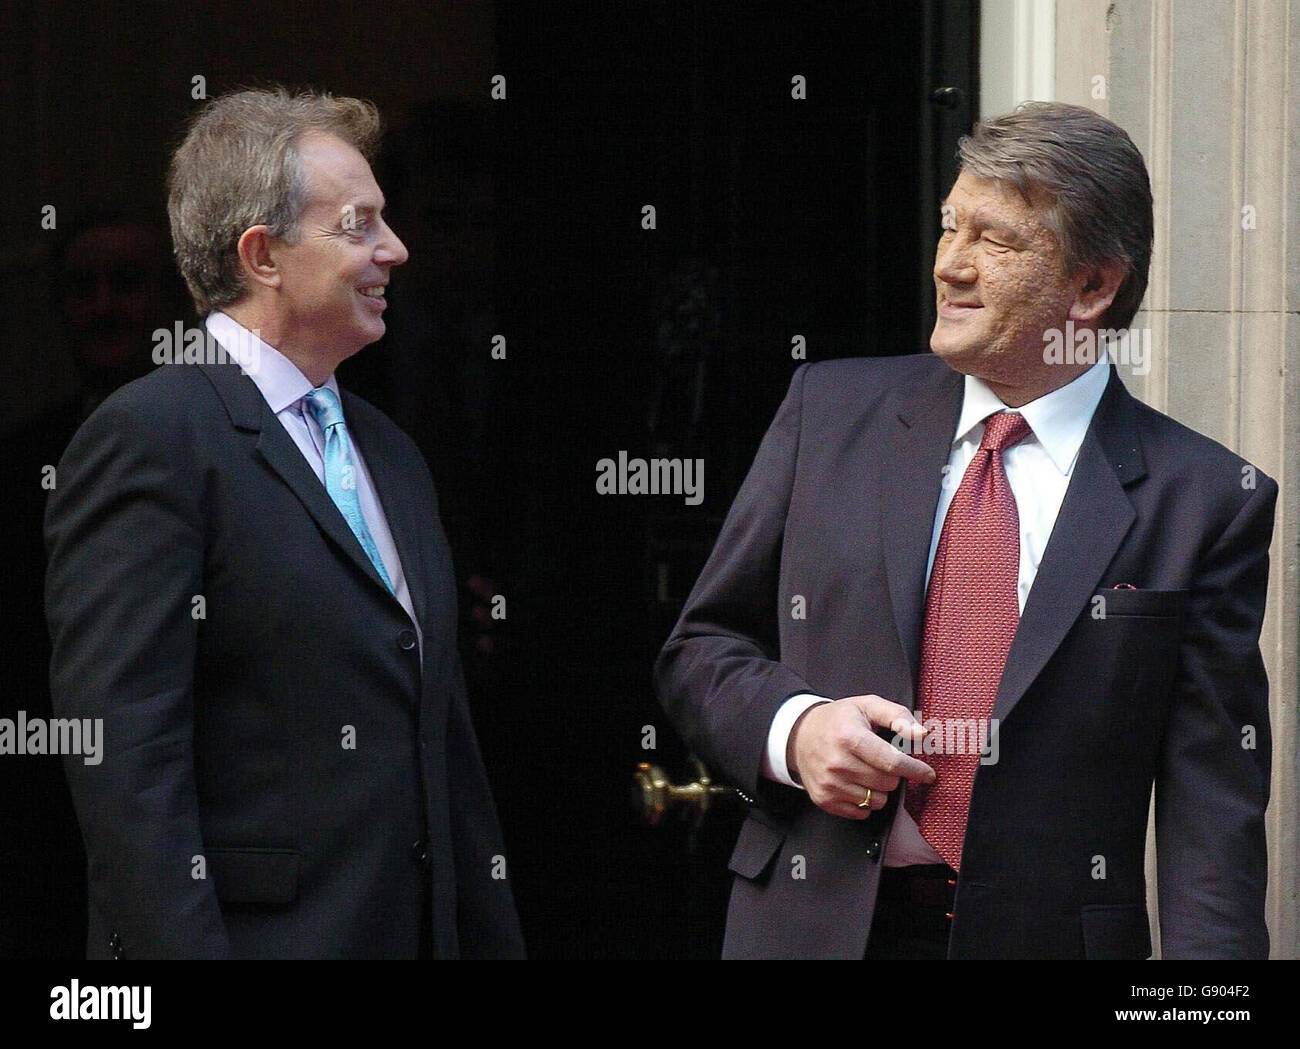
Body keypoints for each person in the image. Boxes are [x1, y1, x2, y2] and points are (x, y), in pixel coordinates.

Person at [654, 102, 1275, 960]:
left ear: (1094, 287)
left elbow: (1212, 812)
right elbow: (701, 647)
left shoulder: (1204, 499)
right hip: (809, 927)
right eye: (950, 227)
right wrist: (793, 728)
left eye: (996, 240)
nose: (950, 264)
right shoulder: (827, 414)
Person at [44, 87, 524, 959]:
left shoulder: (392, 453)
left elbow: (448, 757)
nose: (396, 248)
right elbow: (128, 770)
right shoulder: (152, 437)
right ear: (262, 255)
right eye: (359, 225)